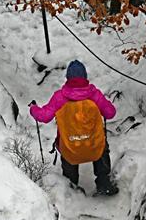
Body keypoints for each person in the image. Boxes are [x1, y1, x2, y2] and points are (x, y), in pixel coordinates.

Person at [30, 60, 119, 196]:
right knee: (101, 145)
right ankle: (103, 182)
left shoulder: (60, 97)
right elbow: (110, 113)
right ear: (84, 77)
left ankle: (71, 187)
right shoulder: (94, 94)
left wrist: (33, 108)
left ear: (67, 78)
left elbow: (44, 116)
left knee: (66, 148)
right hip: (93, 144)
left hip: (70, 146)